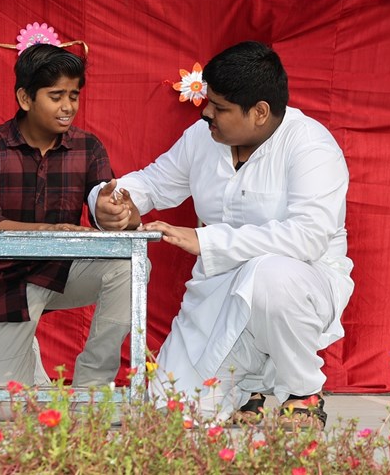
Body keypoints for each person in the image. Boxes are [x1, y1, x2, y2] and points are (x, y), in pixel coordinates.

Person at [91, 41, 353, 426]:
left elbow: (306, 237)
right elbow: (153, 183)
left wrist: (205, 240)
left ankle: (302, 393)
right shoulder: (203, 137)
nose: (206, 112)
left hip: (301, 287)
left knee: (268, 275)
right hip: (216, 293)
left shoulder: (311, 147)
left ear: (259, 112)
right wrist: (112, 202)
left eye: (219, 107)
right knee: (168, 417)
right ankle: (247, 390)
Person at [0, 43, 131, 391]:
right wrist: (48, 230)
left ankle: (92, 386)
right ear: (25, 98)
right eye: (56, 96)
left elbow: (103, 208)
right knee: (8, 411)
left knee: (129, 267)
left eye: (74, 95)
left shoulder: (88, 147)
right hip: (1, 282)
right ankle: (25, 360)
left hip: (61, 271)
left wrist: (113, 214)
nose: (68, 106)